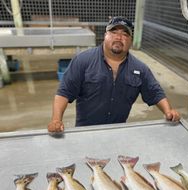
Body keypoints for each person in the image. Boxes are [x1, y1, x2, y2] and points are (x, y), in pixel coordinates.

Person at [48, 16, 180, 133]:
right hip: (86, 132)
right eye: (114, 32)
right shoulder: (83, 60)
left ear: (130, 40)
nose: (118, 37)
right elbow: (64, 93)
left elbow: (155, 92)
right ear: (105, 35)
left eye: (124, 34)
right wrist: (56, 120)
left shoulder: (140, 68)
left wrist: (168, 111)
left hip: (118, 132)